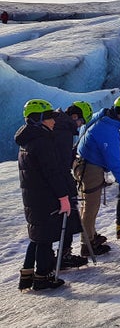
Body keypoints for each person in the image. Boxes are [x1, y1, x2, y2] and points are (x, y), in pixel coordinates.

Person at [16, 99, 71, 291]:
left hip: (34, 199)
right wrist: (63, 197)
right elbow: (52, 172)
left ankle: (27, 274)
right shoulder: (42, 141)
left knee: (37, 236)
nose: (53, 121)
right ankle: (42, 277)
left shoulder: (27, 141)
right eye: (49, 117)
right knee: (45, 239)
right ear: (38, 119)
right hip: (45, 198)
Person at [74, 94, 120, 255]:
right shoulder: (108, 130)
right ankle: (88, 245)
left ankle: (90, 236)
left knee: (88, 206)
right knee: (90, 207)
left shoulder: (102, 117)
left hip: (83, 164)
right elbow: (114, 162)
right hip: (91, 168)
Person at [49, 104, 89, 268]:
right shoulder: (64, 130)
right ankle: (64, 255)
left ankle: (49, 259)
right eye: (80, 121)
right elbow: (62, 162)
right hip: (60, 181)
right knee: (69, 215)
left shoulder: (57, 124)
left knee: (51, 221)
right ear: (75, 117)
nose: (80, 125)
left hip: (49, 181)